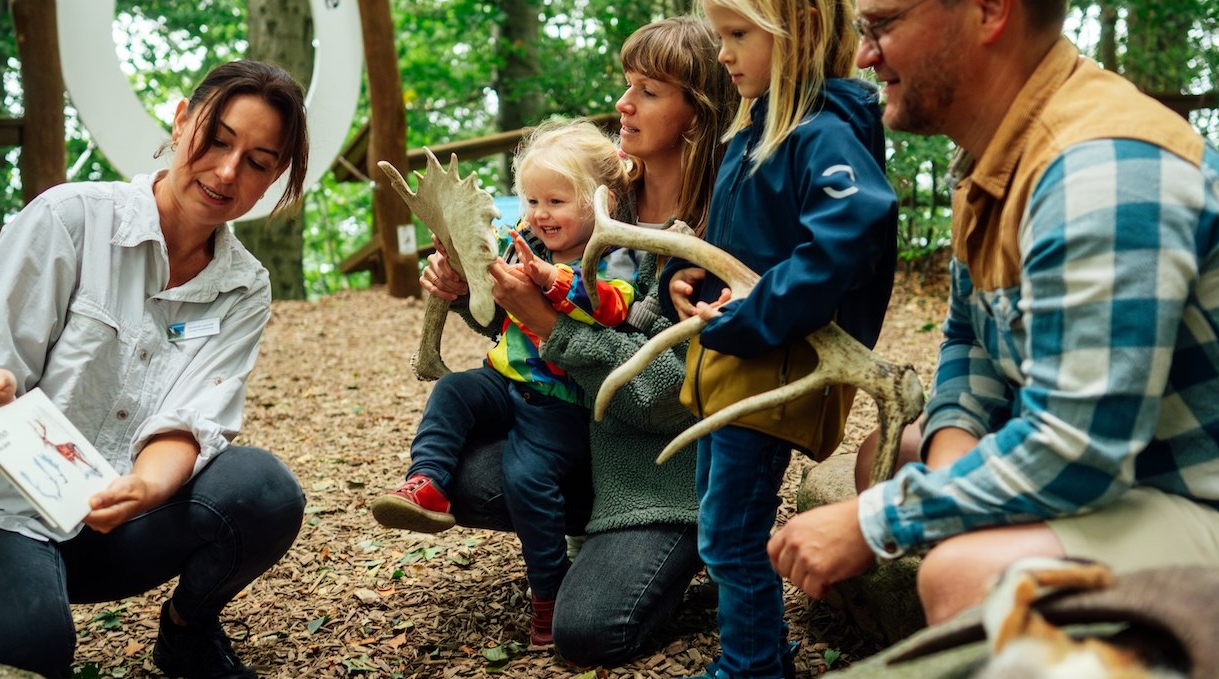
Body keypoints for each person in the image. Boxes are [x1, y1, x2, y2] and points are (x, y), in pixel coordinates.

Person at [768, 0, 1219, 629]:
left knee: (965, 578)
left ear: (991, 11)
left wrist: (873, 522)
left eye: (883, 24)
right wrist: (944, 468)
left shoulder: (1099, 171)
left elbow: (1076, 450)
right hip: (1155, 474)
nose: (862, 54)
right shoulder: (990, 156)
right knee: (894, 455)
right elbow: (970, 342)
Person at [0, 60, 311, 679]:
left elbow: (189, 423)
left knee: (262, 491)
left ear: (273, 177)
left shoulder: (243, 286)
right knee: (21, 652)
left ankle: (188, 632)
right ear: (181, 121)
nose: (227, 172)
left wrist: (145, 487)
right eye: (217, 140)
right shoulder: (72, 217)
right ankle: (12, 602)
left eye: (257, 161)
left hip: (114, 520)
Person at [395, 17, 739, 667]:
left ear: (696, 114)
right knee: (460, 466)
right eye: (626, 83)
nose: (623, 103)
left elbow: (660, 395)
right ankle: (584, 530)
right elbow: (524, 325)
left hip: (660, 472)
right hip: (579, 433)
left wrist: (551, 323)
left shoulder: (716, 228)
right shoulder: (596, 195)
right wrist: (474, 289)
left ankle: (690, 549)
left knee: (588, 636)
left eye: (649, 90)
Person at [662, 0, 899, 676]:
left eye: (738, 35)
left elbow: (854, 223)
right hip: (739, 358)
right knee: (722, 522)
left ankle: (754, 662)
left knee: (732, 529)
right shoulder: (755, 130)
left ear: (800, 36)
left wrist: (758, 308)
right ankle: (758, 647)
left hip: (774, 365)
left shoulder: (821, 133)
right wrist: (688, 277)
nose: (724, 54)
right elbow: (740, 246)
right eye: (720, 37)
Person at [371, 117, 640, 650]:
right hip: (504, 377)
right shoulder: (527, 245)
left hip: (560, 402)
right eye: (532, 201)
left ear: (600, 202)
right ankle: (426, 482)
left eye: (556, 202)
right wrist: (459, 272)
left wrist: (551, 282)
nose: (540, 214)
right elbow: (490, 298)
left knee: (526, 479)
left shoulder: (612, 256)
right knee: (452, 392)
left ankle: (548, 591)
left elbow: (611, 306)